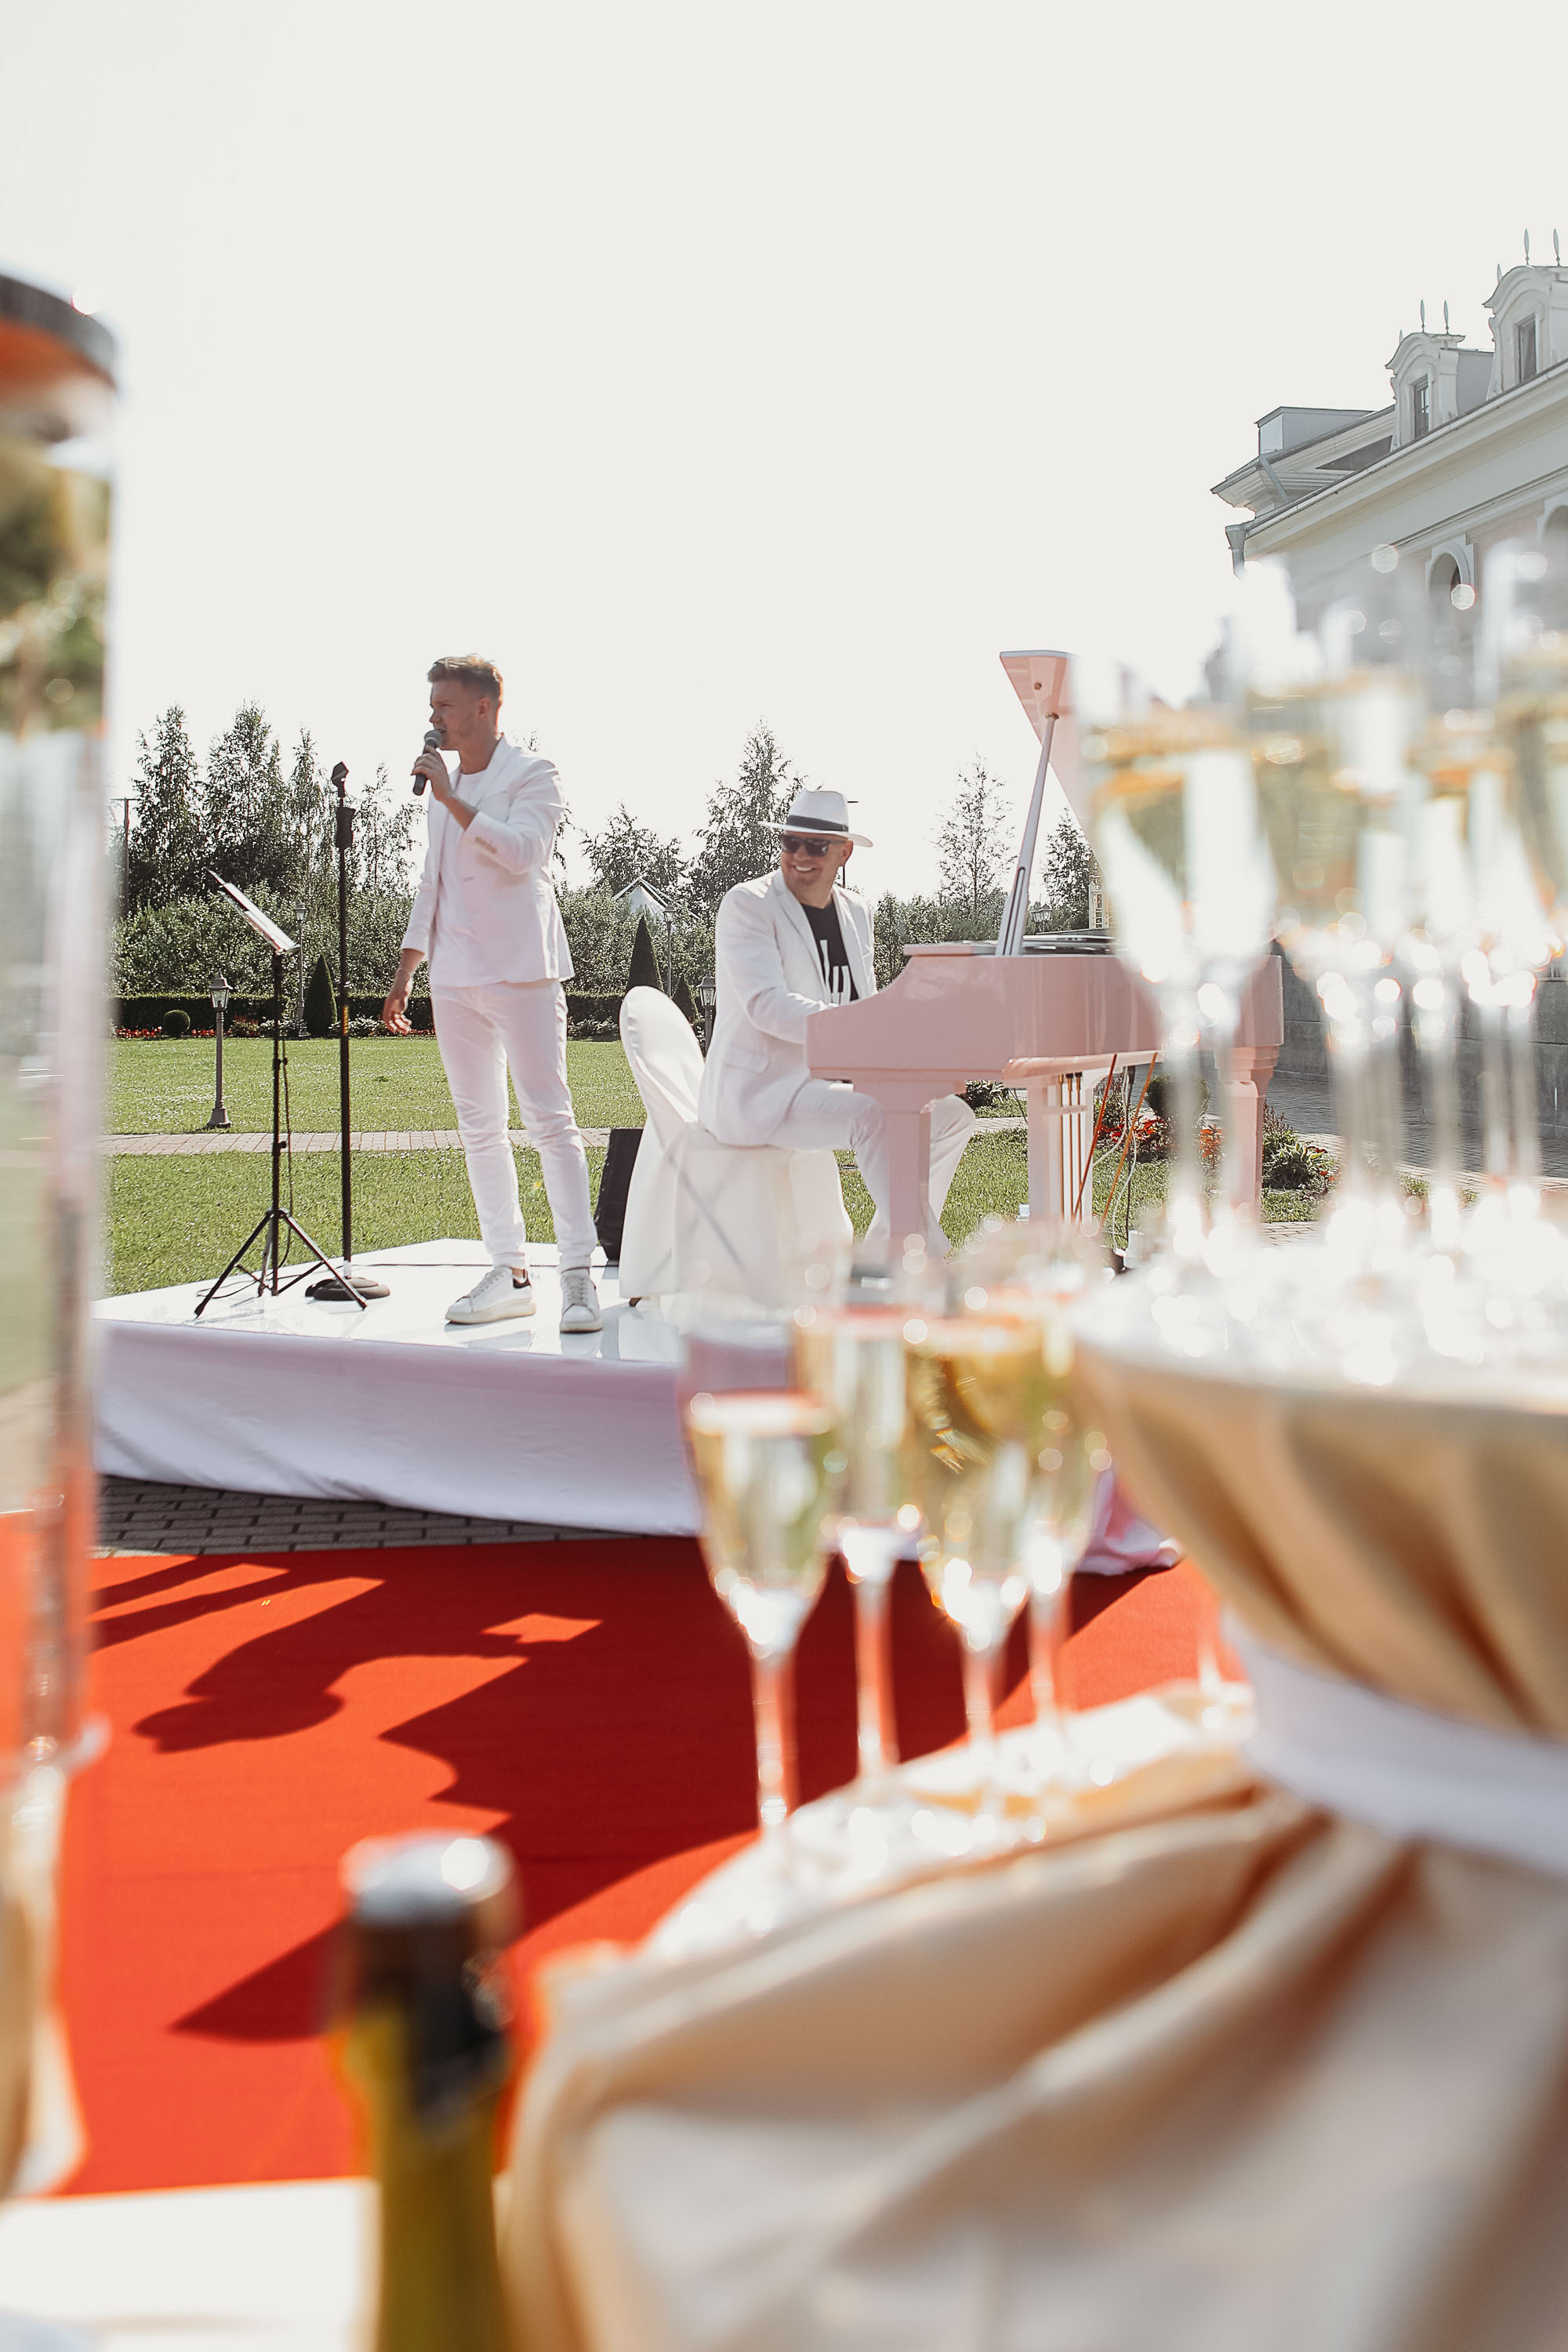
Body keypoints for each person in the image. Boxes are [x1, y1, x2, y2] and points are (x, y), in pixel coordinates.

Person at [382, 655, 601, 1333]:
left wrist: (450, 796)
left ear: (484, 708)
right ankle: (508, 1271)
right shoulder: (443, 790)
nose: (432, 718)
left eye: (443, 705)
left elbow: (525, 851)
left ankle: (577, 1276)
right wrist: (406, 969)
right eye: (432, 706)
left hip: (524, 973)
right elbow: (432, 881)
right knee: (479, 1127)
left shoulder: (533, 774)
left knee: (550, 1122)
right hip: (453, 976)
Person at [698, 788, 975, 1257]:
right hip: (762, 1091)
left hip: (830, 1084)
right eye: (791, 843)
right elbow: (767, 1006)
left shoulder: (858, 912)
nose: (800, 856)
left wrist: (916, 1056)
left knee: (951, 1115)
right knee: (873, 1117)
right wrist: (860, 1029)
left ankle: (884, 1253)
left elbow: (864, 1003)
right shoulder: (747, 905)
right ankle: (925, 1260)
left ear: (844, 852)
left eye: (816, 846)